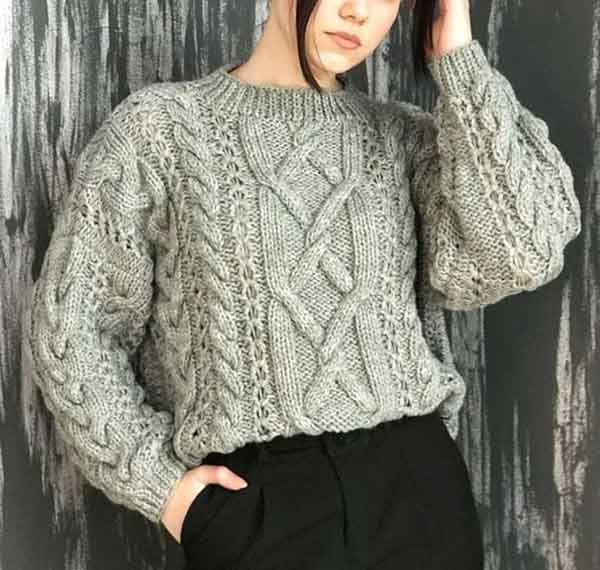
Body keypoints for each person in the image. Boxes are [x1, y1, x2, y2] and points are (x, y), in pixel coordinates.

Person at [21, 0, 581, 569]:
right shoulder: (161, 129)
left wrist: (458, 56)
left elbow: (524, 250)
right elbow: (74, 327)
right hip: (257, 511)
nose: (357, 11)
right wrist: (165, 490)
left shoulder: (405, 138)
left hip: (418, 496)